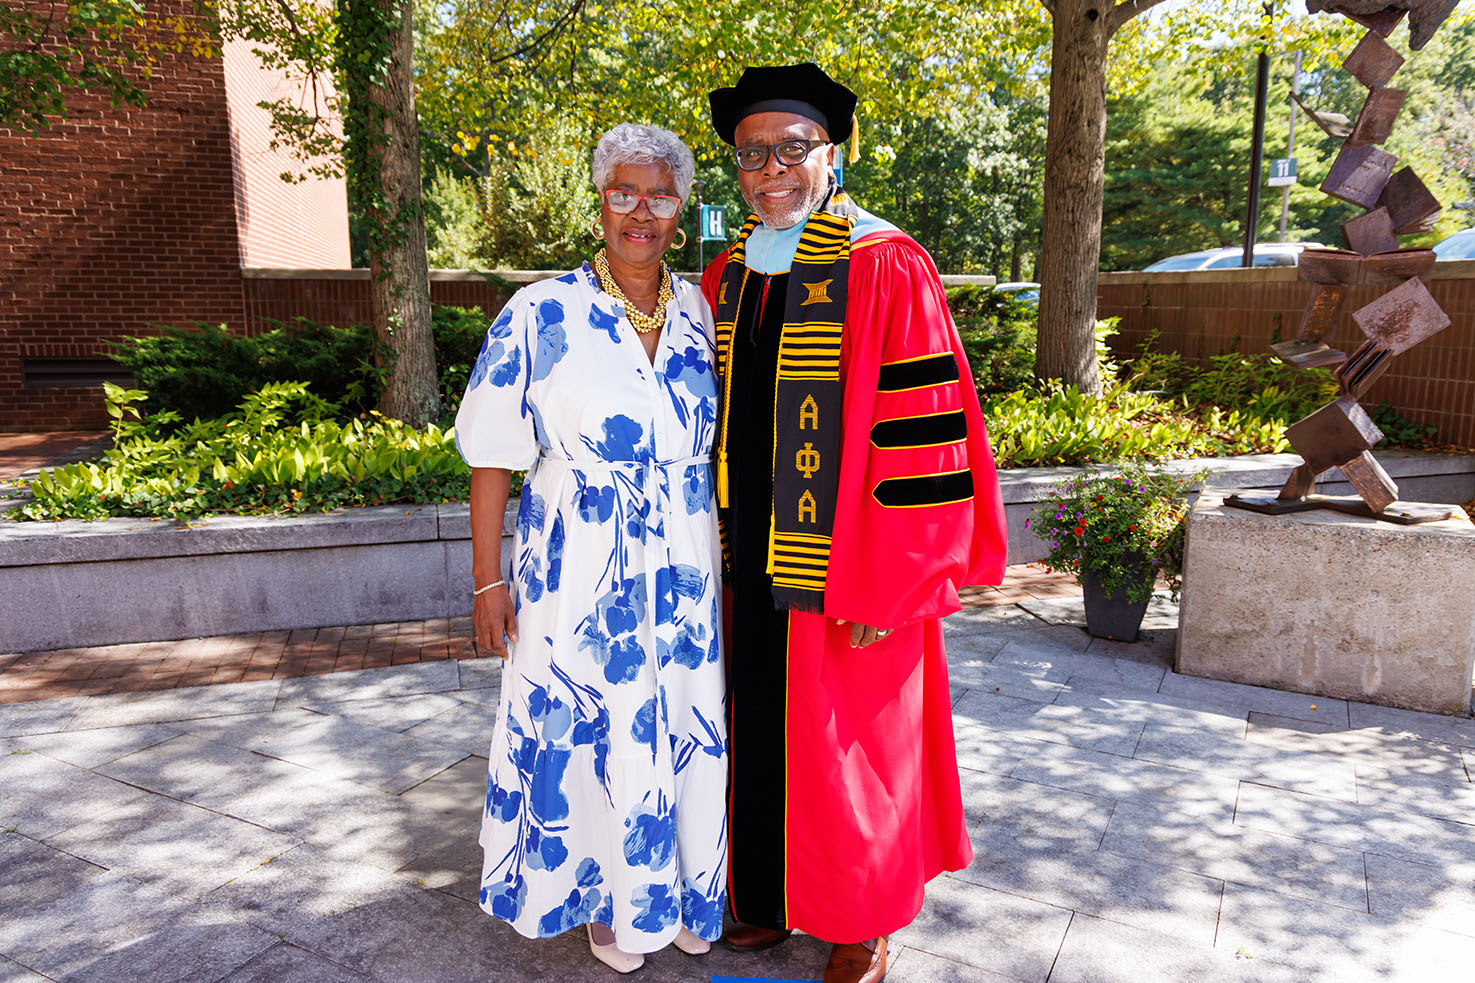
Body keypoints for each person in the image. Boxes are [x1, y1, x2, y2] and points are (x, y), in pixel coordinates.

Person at [700, 64, 1008, 983]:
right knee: (751, 721)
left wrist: (898, 577)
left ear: (832, 153)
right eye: (752, 154)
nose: (770, 170)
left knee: (852, 742)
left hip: (848, 557)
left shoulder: (883, 262)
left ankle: (858, 920)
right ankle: (762, 892)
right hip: (742, 544)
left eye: (791, 148)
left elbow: (925, 438)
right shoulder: (727, 272)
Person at [455, 122, 727, 974]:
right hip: (576, 564)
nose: (640, 212)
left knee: (680, 724)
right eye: (623, 193)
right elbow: (494, 454)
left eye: (659, 195)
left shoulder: (697, 309)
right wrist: (486, 581)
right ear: (599, 200)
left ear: (680, 208)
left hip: (683, 564)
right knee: (592, 722)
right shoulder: (540, 311)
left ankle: (676, 888)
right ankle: (607, 899)